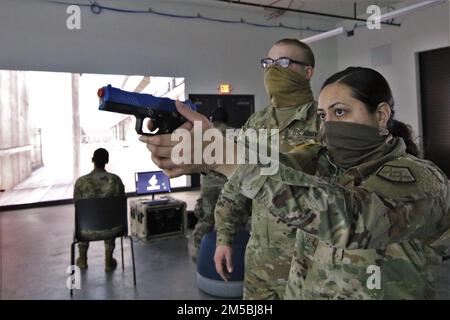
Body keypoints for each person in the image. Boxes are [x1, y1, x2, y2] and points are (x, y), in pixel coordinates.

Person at [217, 67, 450, 299]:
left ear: (381, 115)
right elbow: (278, 163)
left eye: (339, 112)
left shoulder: (420, 179)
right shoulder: (326, 163)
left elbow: (351, 220)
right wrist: (208, 150)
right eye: (322, 116)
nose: (328, 125)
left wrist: (230, 163)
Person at [140, 38, 320, 299]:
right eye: (267, 63)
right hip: (261, 261)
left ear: (307, 72)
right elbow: (236, 184)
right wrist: (223, 236)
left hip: (310, 264)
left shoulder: (324, 122)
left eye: (283, 63)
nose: (272, 70)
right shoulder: (257, 121)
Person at [188, 108, 248, 262]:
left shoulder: (205, 134)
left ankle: (197, 255)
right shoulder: (237, 133)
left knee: (206, 220)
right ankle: (233, 258)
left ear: (211, 118)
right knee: (234, 220)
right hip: (232, 186)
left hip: (209, 186)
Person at [74, 148, 125, 272]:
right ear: (107, 161)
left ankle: (82, 259)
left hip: (86, 231)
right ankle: (108, 260)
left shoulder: (81, 182)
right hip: (112, 229)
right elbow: (121, 204)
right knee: (110, 217)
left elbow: (77, 206)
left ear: (92, 160)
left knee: (83, 219)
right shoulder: (115, 180)